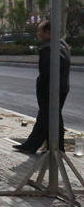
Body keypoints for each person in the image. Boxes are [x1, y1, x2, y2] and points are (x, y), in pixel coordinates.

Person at [14, 20, 70, 154]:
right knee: (48, 117)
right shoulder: (63, 45)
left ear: (48, 32)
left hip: (49, 90)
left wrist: (42, 86)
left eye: (40, 31)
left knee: (49, 117)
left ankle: (54, 148)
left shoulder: (48, 48)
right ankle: (36, 145)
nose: (38, 34)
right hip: (62, 87)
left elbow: (46, 72)